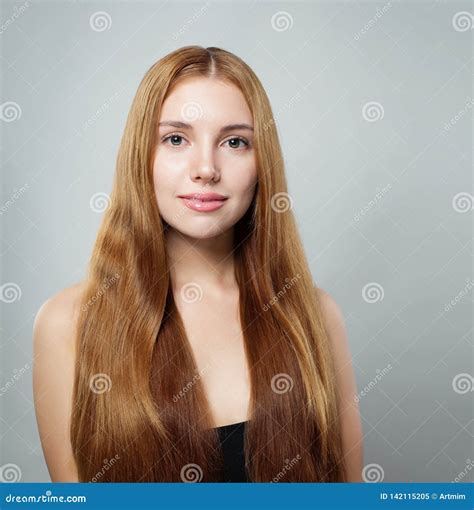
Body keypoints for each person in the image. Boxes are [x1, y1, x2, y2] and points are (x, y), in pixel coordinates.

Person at [33, 45, 363, 483]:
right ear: (141, 157)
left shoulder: (316, 316)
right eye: (176, 139)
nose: (206, 168)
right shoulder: (67, 324)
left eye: (234, 142)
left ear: (261, 163)